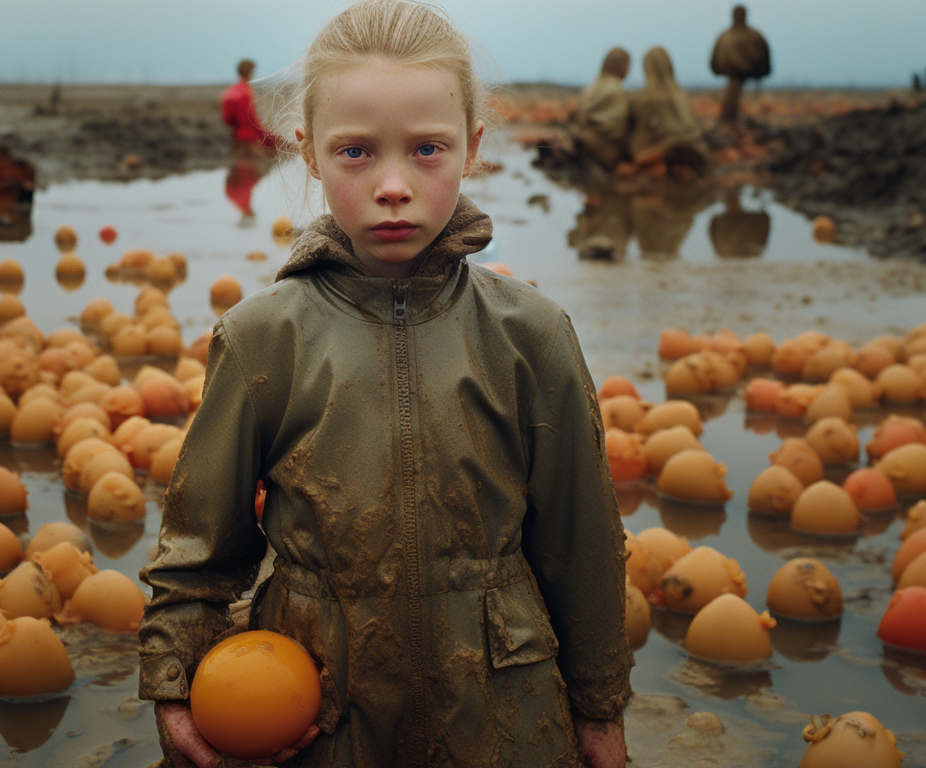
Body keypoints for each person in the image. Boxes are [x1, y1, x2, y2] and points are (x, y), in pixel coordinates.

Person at [138, 2, 632, 767]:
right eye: (357, 152)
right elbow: (201, 547)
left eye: (427, 149)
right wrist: (174, 688)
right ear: (308, 153)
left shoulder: (531, 335)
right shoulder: (263, 338)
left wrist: (598, 710)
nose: (394, 185)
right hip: (323, 712)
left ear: (471, 148)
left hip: (503, 712)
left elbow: (584, 548)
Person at [628, 47, 707, 176]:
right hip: (694, 148)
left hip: (665, 149)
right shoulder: (680, 93)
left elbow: (642, 133)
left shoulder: (646, 96)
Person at [571, 47, 632, 171]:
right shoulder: (616, 88)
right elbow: (618, 129)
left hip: (584, 144)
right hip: (604, 150)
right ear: (621, 66)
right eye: (627, 65)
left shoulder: (591, 86)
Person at [709, 4, 770, 125]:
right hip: (737, 71)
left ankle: (731, 118)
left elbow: (764, 54)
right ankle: (730, 118)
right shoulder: (728, 36)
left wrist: (762, 70)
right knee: (734, 93)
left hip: (744, 72)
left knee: (737, 94)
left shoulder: (727, 36)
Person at [220, 59, 279, 152]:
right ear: (250, 72)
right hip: (250, 137)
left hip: (236, 136)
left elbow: (227, 119)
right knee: (251, 163)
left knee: (240, 161)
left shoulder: (231, 91)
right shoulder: (245, 92)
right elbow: (251, 119)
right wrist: (268, 136)